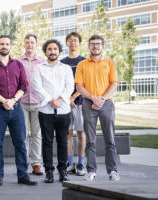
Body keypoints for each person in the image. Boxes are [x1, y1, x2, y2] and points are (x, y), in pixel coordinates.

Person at [0, 35, 37, 186]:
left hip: (16, 110)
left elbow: (23, 86)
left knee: (20, 142)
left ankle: (22, 175)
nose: (4, 46)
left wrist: (12, 100)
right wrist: (4, 101)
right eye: (2, 44)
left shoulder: (18, 65)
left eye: (7, 44)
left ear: (10, 46)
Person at [75, 34, 120, 181]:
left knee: (110, 138)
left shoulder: (109, 63)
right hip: (88, 103)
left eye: (98, 44)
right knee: (90, 139)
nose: (95, 46)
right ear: (89, 46)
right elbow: (79, 86)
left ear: (102, 46)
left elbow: (114, 83)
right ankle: (91, 170)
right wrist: (93, 98)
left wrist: (102, 99)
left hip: (106, 103)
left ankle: (112, 171)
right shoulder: (82, 65)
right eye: (93, 44)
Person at [33, 39, 74, 183]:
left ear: (59, 51)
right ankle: (49, 171)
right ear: (46, 51)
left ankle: (63, 171)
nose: (52, 51)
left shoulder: (66, 68)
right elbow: (37, 87)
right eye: (49, 49)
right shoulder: (39, 68)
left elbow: (69, 87)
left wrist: (60, 100)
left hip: (63, 111)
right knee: (47, 142)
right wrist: (51, 100)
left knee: (63, 141)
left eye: (55, 49)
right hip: (46, 111)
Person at [18, 34, 44, 176]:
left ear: (36, 44)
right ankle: (23, 164)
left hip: (37, 103)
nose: (29, 45)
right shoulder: (17, 61)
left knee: (36, 135)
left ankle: (36, 164)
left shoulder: (42, 61)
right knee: (22, 135)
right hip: (21, 103)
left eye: (32, 42)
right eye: (27, 42)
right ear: (24, 44)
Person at [60, 32, 86, 176]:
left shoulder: (84, 61)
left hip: (81, 104)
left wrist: (73, 97)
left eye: (75, 40)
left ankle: (81, 163)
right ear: (67, 43)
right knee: (67, 134)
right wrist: (67, 99)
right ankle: (70, 164)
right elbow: (60, 83)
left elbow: (85, 84)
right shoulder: (62, 62)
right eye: (70, 40)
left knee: (81, 133)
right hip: (65, 105)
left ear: (79, 43)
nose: (73, 43)